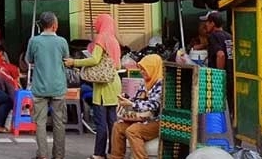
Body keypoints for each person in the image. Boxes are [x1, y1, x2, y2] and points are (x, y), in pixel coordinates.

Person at [65, 13, 122, 159]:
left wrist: (75, 63)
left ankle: (99, 153)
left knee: (100, 121)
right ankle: (114, 152)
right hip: (114, 82)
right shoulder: (114, 40)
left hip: (103, 86)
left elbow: (95, 59)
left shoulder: (102, 38)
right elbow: (117, 64)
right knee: (112, 122)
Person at [27, 11, 69, 159]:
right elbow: (66, 60)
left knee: (40, 123)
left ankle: (43, 155)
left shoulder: (34, 41)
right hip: (58, 87)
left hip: (39, 87)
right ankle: (58, 155)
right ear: (54, 25)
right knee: (59, 123)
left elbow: (29, 60)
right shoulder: (62, 42)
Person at [108, 54, 163, 159]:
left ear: (152, 68)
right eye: (141, 69)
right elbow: (138, 99)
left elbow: (154, 105)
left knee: (133, 131)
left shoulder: (161, 84)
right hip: (143, 118)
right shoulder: (145, 83)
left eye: (144, 69)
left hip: (156, 121)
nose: (142, 72)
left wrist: (131, 104)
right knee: (117, 127)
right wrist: (127, 99)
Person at [201, 11, 234, 117]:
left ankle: (220, 131)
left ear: (213, 23)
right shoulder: (229, 36)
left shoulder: (213, 36)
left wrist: (219, 76)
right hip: (231, 75)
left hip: (220, 78)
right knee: (229, 106)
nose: (206, 25)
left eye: (208, 22)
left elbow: (221, 55)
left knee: (218, 108)